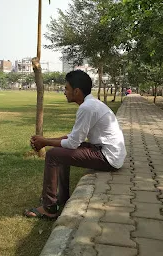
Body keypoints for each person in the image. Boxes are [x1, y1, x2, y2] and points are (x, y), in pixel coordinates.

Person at [25, 70, 126, 219]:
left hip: (108, 157)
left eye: (66, 88)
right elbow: (74, 138)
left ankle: (49, 207)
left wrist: (44, 142)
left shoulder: (87, 108)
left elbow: (72, 143)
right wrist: (45, 140)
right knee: (59, 151)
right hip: (109, 153)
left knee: (53, 155)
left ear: (77, 91)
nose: (64, 92)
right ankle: (61, 198)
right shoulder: (91, 104)